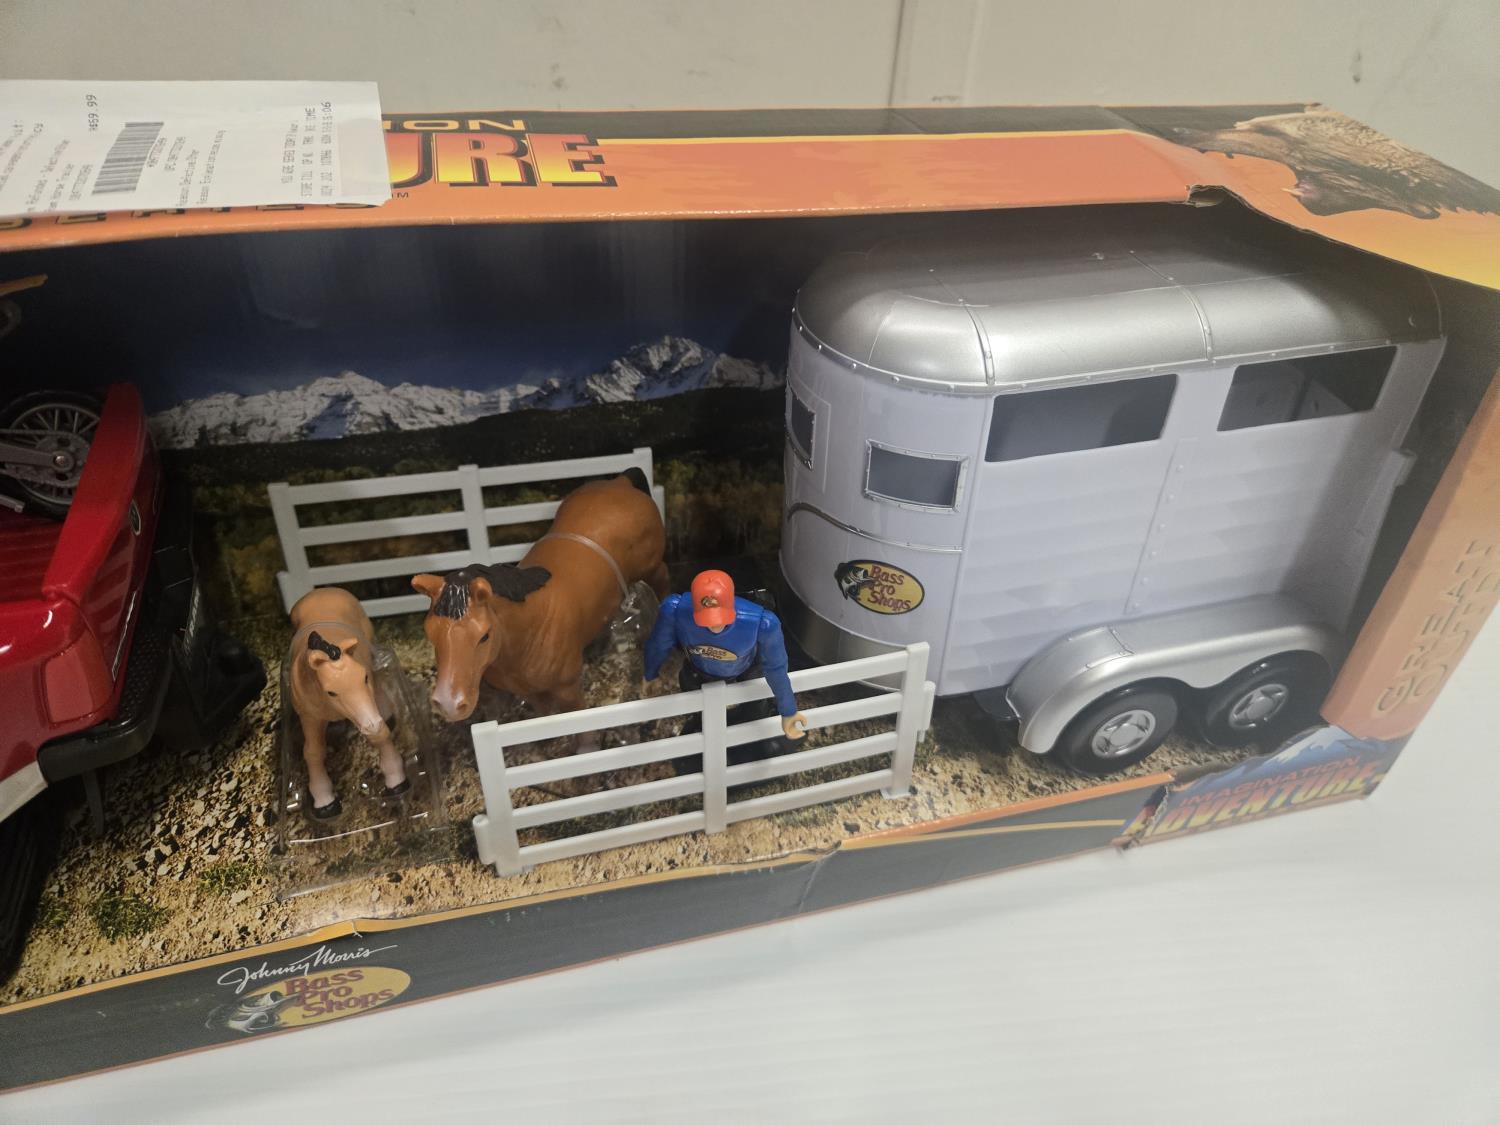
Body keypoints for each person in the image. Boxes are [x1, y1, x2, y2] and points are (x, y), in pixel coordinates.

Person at [643, 570, 808, 747]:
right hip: (698, 673)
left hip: (746, 674)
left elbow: (776, 667)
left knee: (754, 710)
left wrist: (788, 711)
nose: (714, 626)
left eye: (720, 618)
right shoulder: (675, 611)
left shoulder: (762, 623)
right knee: (701, 716)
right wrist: (649, 674)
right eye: (706, 620)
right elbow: (659, 644)